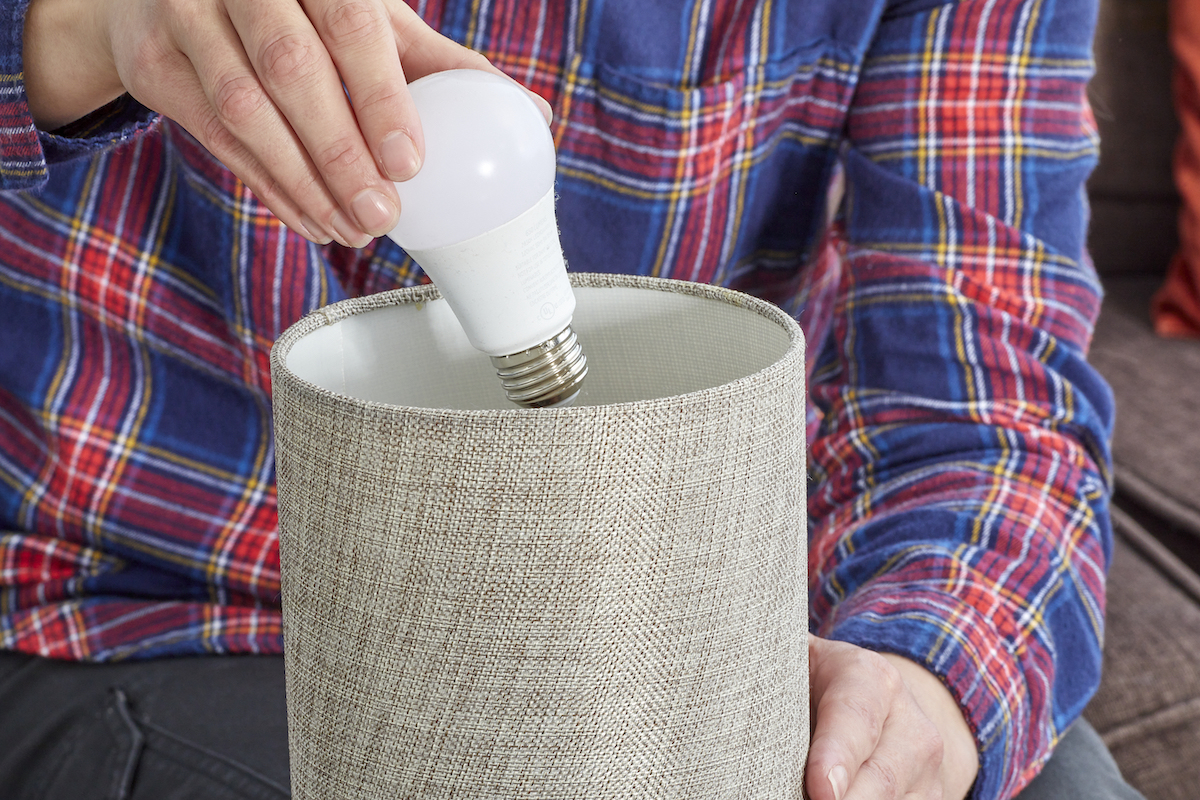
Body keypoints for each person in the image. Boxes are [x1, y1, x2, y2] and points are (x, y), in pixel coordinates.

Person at [0, 0, 1141, 798]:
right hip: (160, 616)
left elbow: (985, 394)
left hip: (686, 624)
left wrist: (930, 674)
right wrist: (81, 31)